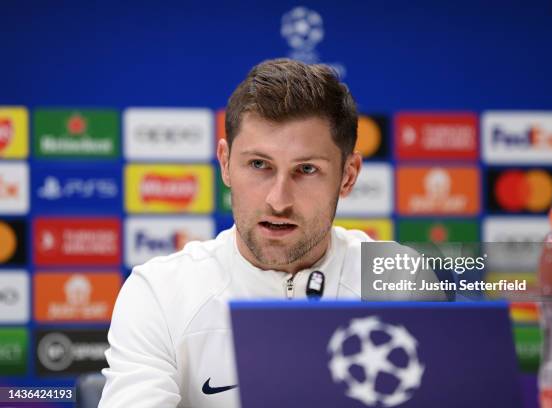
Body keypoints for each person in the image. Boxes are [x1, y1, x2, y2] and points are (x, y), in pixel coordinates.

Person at [98, 58, 370, 408]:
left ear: (348, 176)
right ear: (225, 162)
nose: (278, 200)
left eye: (306, 169)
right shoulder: (162, 293)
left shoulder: (402, 284)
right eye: (259, 165)